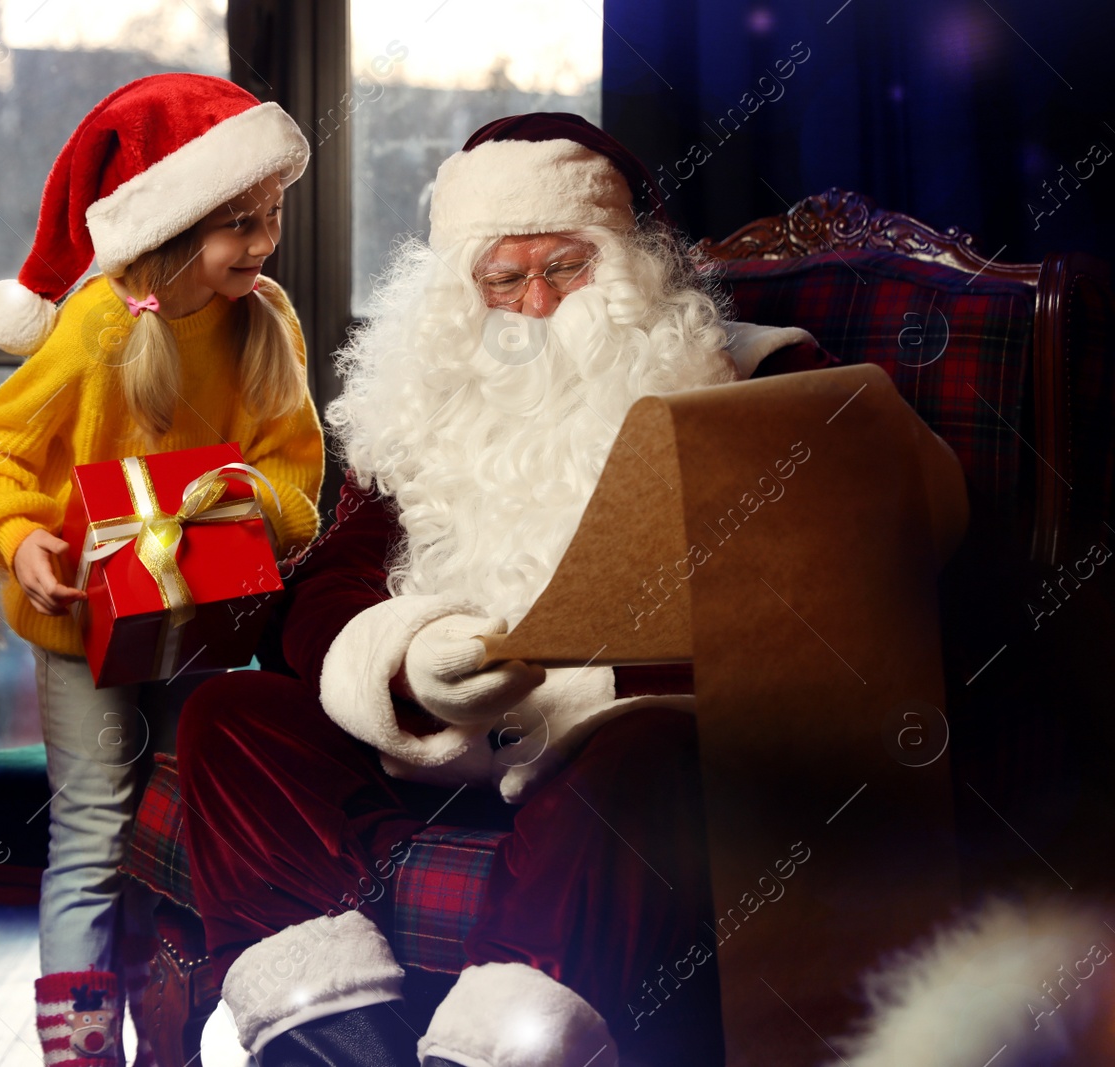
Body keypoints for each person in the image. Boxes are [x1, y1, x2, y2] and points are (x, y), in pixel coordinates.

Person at [178, 113, 835, 1067]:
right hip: (439, 741)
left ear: (628, 264)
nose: (533, 304)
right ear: (461, 291)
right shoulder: (421, 401)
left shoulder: (751, 376)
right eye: (501, 277)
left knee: (645, 752)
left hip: (616, 746)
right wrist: (408, 656)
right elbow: (322, 599)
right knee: (232, 713)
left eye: (565, 267)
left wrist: (596, 685)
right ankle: (336, 1041)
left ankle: (497, 1053)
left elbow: (815, 586)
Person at [0, 73, 324, 1067]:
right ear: (175, 223)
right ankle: (78, 1042)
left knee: (185, 808)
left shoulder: (264, 321)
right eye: (238, 224)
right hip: (79, 629)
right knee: (94, 822)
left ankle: (178, 1010)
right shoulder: (100, 327)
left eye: (270, 218)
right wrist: (21, 536)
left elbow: (296, 472)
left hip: (198, 614)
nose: (261, 244)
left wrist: (250, 501)